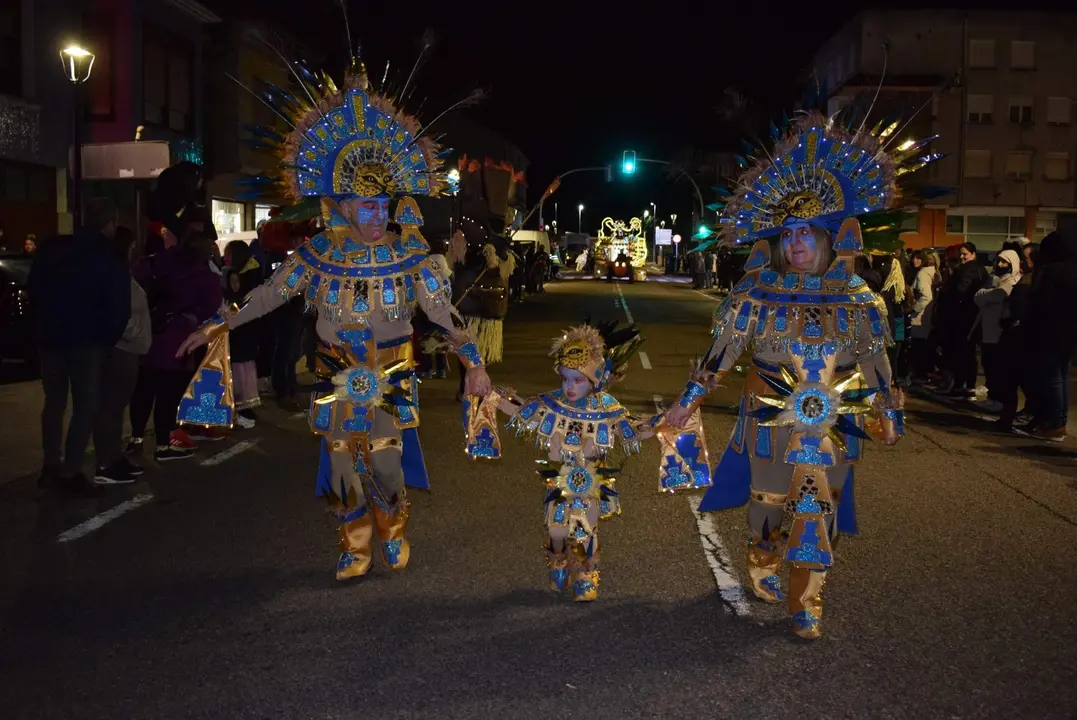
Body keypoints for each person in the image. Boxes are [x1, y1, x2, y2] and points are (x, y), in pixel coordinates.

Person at [175, 57, 491, 581]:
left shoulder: (413, 256)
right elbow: (269, 294)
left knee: (387, 466)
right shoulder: (318, 255)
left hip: (391, 372)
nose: (375, 216)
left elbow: (444, 312)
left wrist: (474, 362)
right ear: (341, 206)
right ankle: (355, 544)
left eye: (381, 205)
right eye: (363, 206)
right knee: (343, 466)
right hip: (337, 374)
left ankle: (391, 528)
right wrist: (221, 324)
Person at [663, 112, 924, 639]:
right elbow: (719, 356)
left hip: (835, 423)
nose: (797, 242)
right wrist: (684, 404)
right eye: (789, 234)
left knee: (819, 509)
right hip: (769, 422)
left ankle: (807, 601)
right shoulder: (754, 296)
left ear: (829, 238)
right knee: (767, 511)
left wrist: (888, 412)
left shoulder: (858, 300)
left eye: (807, 232)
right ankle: (763, 553)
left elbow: (876, 361)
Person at [463, 322, 702, 601]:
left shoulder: (607, 409)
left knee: (587, 530)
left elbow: (638, 427)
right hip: (558, 479)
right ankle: (559, 558)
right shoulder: (551, 403)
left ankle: (587, 573)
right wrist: (490, 394)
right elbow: (518, 409)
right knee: (556, 529)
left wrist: (668, 418)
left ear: (594, 380)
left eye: (577, 380)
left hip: (591, 484)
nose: (569, 387)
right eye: (565, 379)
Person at [29, 197, 131, 496]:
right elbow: (118, 307)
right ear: (110, 224)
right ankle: (70, 469)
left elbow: (34, 288)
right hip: (87, 341)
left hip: (51, 338)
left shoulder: (52, 248)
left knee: (54, 402)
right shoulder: (109, 256)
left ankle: (51, 465)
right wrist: (107, 339)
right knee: (86, 405)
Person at [129, 230, 224, 461]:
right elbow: (212, 310)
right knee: (168, 395)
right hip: (180, 341)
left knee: (143, 391)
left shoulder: (158, 262)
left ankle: (136, 439)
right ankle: (163, 445)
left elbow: (135, 273)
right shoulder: (205, 277)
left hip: (149, 335)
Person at [93, 226, 152, 483]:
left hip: (127, 347)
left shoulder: (120, 273)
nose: (135, 250)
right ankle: (106, 463)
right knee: (111, 408)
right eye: (132, 245)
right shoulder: (115, 275)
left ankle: (113, 458)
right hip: (121, 348)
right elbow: (117, 313)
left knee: (116, 408)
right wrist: (135, 332)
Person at [1021, 230, 1077, 441]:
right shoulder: (1072, 270)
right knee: (1061, 376)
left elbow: (1043, 303)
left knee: (1053, 378)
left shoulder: (1054, 271)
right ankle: (1059, 421)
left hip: (1051, 330)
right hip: (1069, 333)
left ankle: (1055, 424)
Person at [972, 250, 1022, 413]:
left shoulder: (1011, 281)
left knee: (998, 369)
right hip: (988, 331)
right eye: (998, 261)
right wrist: (987, 295)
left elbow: (997, 296)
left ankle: (999, 401)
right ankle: (992, 398)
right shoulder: (995, 280)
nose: (1000, 265)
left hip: (999, 332)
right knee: (988, 366)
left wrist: (987, 295)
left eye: (1004, 262)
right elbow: (978, 297)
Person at [222, 241, 263, 427]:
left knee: (239, 368)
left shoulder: (234, 274)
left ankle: (241, 407)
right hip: (251, 326)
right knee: (246, 367)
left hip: (238, 327)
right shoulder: (255, 269)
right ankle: (247, 406)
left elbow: (235, 300)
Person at [909, 250, 939, 381]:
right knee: (925, 346)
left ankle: (920, 374)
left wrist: (913, 309)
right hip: (930, 315)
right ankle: (926, 372)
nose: (914, 261)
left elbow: (926, 296)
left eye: (918, 258)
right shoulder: (935, 273)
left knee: (918, 346)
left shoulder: (922, 274)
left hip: (920, 316)